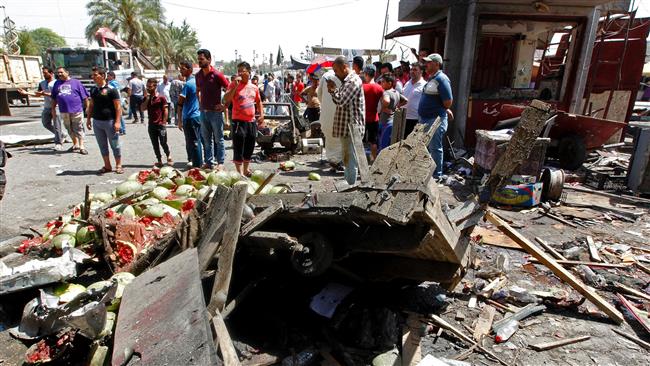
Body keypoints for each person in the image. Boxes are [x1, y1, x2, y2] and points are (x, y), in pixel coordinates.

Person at [326, 56, 365, 185]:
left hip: (352, 128)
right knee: (347, 159)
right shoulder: (347, 81)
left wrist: (333, 91)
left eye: (336, 71)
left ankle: (351, 188)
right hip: (347, 128)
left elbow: (341, 101)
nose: (336, 74)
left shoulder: (353, 81)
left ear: (344, 67)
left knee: (350, 161)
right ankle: (349, 185)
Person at [223, 61, 265, 177]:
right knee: (238, 146)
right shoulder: (233, 85)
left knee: (250, 146)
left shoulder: (254, 87)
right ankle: (239, 172)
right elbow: (226, 99)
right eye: (239, 71)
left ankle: (246, 169)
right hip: (238, 121)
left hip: (251, 121)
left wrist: (261, 114)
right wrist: (235, 86)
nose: (240, 73)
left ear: (249, 72)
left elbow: (259, 101)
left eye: (243, 70)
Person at [17, 66, 69, 151]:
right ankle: (61, 134)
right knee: (45, 123)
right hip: (47, 107)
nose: (44, 74)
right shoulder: (42, 83)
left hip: (56, 107)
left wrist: (44, 94)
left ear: (51, 73)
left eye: (45, 73)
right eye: (43, 73)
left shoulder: (57, 83)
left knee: (57, 125)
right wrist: (26, 93)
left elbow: (57, 95)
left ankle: (58, 143)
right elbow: (38, 94)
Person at [418, 53, 452, 179]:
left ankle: (437, 175)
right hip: (426, 119)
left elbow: (448, 102)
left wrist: (443, 110)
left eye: (429, 62)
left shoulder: (442, 79)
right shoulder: (432, 78)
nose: (426, 65)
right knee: (425, 147)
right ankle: (427, 172)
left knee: (435, 148)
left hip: (435, 120)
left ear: (437, 64)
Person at [195, 49, 230, 170]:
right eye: (198, 59)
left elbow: (229, 90)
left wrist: (224, 105)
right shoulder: (198, 75)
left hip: (215, 113)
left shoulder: (217, 75)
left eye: (202, 59)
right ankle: (209, 162)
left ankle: (220, 162)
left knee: (219, 139)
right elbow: (198, 89)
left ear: (209, 60)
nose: (199, 61)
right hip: (203, 113)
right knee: (206, 139)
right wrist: (199, 103)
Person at [86, 67, 122, 174]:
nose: (93, 77)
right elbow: (91, 105)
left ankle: (118, 165)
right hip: (97, 122)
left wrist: (117, 121)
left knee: (115, 144)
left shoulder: (112, 89)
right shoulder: (93, 89)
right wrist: (88, 119)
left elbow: (118, 107)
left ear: (102, 76)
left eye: (95, 75)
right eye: (92, 75)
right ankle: (107, 165)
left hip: (110, 122)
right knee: (102, 145)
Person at [51, 67, 90, 154]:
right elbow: (54, 98)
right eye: (58, 73)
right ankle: (75, 144)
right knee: (69, 128)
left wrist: (87, 107)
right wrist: (53, 109)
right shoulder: (56, 84)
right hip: (64, 111)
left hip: (76, 110)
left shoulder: (76, 82)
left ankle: (81, 146)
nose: (59, 74)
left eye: (61, 72)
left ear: (67, 73)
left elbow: (85, 97)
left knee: (78, 128)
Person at [177, 61, 203, 168]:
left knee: (193, 142)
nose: (181, 71)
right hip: (197, 116)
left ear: (189, 70)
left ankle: (197, 165)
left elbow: (180, 103)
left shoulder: (188, 84)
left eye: (183, 69)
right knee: (197, 140)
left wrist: (179, 120)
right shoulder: (196, 82)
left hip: (190, 117)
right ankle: (198, 162)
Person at [317, 68, 343, 172]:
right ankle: (337, 161)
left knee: (329, 139)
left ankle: (333, 161)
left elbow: (319, 94)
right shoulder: (344, 77)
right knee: (340, 140)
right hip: (339, 115)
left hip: (326, 116)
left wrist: (324, 104)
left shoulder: (325, 76)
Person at [142, 78, 172, 167]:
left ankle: (168, 155)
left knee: (163, 142)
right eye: (147, 86)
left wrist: (164, 122)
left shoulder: (161, 97)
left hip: (160, 125)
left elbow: (165, 110)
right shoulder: (146, 98)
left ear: (155, 86)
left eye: (150, 86)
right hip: (151, 125)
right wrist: (147, 98)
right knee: (155, 143)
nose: (148, 88)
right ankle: (159, 160)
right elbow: (142, 108)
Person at [377, 73, 408, 152]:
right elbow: (406, 100)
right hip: (392, 122)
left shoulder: (386, 92)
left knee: (383, 146)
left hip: (385, 122)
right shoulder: (396, 92)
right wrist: (397, 107)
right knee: (389, 145)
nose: (381, 83)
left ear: (389, 83)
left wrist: (383, 107)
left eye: (383, 82)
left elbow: (386, 101)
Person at [361, 65, 383, 160]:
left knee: (360, 142)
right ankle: (374, 161)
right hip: (374, 118)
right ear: (374, 74)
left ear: (366, 74)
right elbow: (384, 103)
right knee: (373, 142)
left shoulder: (362, 87)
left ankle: (360, 163)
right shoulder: (379, 88)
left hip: (362, 118)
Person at [402, 63, 426, 137]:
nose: (412, 71)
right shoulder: (407, 83)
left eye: (415, 70)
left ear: (421, 71)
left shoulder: (424, 85)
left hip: (416, 120)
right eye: (411, 69)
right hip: (404, 118)